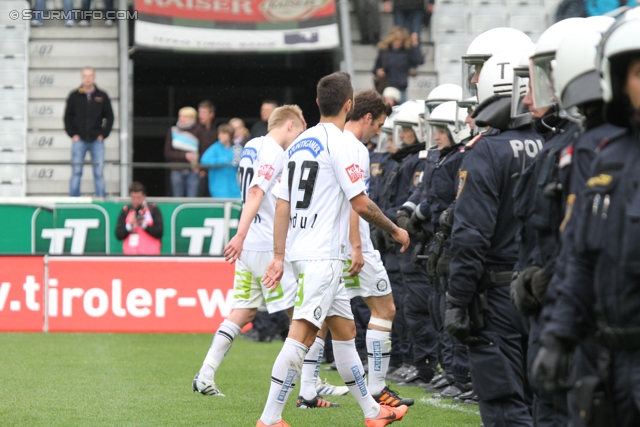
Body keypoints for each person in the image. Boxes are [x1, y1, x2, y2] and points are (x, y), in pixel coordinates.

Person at [257, 71, 410, 427]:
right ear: (348, 105)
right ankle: (269, 418)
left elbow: (281, 205)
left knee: (345, 332)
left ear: (316, 104)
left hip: (300, 251)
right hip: (323, 255)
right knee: (302, 335)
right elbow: (361, 204)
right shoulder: (342, 144)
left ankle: (373, 413)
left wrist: (279, 256)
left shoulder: (297, 144)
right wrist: (395, 229)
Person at [532, 11, 640, 426]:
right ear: (618, 80)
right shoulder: (607, 157)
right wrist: (558, 337)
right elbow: (579, 256)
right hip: (610, 362)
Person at [444, 50, 541, 426]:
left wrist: (458, 298)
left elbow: (472, 237)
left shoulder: (486, 152)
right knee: (544, 403)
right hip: (545, 288)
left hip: (498, 292)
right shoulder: (553, 145)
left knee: (504, 404)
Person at [192, 105, 306, 397]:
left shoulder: (251, 146)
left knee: (243, 310)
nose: (299, 139)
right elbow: (257, 192)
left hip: (250, 246)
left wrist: (243, 236)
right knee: (302, 316)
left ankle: (205, 373)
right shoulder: (274, 151)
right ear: (290, 125)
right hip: (267, 244)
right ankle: (309, 387)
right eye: (301, 131)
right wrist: (239, 235)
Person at [342, 89, 414, 407]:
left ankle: (302, 391)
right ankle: (377, 387)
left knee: (317, 324)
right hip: (350, 245)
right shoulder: (355, 149)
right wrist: (394, 230)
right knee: (384, 309)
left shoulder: (319, 139)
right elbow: (358, 204)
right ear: (368, 118)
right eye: (380, 125)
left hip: (317, 246)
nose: (379, 133)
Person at [64, 66, 114, 198]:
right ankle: (73, 200)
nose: (87, 79)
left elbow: (109, 116)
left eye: (90, 76)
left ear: (94, 77)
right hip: (79, 140)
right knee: (76, 171)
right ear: (82, 78)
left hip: (97, 141)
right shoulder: (74, 96)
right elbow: (67, 117)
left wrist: (103, 134)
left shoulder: (102, 96)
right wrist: (72, 134)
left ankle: (101, 200)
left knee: (99, 172)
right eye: (85, 76)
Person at [373, 27, 424, 103]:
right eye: (396, 39)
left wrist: (415, 44)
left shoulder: (407, 51)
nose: (397, 42)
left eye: (400, 40)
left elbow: (419, 60)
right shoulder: (384, 51)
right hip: (387, 87)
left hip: (401, 87)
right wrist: (378, 71)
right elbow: (376, 67)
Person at [164, 106, 205, 198]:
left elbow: (203, 151)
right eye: (180, 116)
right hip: (176, 171)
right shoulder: (173, 130)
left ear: (192, 118)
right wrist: (184, 155)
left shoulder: (199, 130)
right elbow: (167, 152)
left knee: (192, 200)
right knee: (178, 200)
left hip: (193, 171)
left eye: (185, 116)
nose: (181, 118)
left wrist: (201, 167)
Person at [115, 182, 163, 255]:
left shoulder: (153, 209)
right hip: (130, 256)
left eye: (138, 197)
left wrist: (144, 225)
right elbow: (118, 235)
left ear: (144, 196)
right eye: (133, 197)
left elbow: (159, 232)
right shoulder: (125, 211)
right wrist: (129, 225)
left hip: (150, 256)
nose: (136, 200)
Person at [200, 124, 242, 199]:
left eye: (224, 133)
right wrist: (223, 160)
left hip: (236, 189)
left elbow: (246, 162)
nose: (221, 136)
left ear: (230, 135)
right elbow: (204, 160)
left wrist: (241, 162)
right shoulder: (215, 147)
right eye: (219, 133)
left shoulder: (237, 148)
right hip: (218, 187)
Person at [197, 100, 218, 197]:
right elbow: (192, 151)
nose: (201, 115)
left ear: (211, 114)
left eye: (204, 113)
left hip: (214, 171)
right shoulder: (195, 130)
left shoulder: (216, 131)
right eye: (200, 112)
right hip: (198, 172)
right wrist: (200, 169)